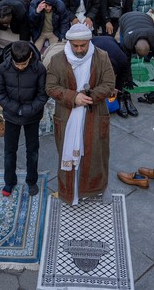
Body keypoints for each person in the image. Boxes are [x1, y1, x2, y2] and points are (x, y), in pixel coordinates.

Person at [45, 24, 115, 205]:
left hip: (95, 114)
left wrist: (88, 97)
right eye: (75, 46)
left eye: (82, 46)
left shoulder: (102, 57)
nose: (79, 49)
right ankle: (69, 192)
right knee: (66, 154)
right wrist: (73, 97)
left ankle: (99, 188)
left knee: (97, 153)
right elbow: (50, 87)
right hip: (67, 116)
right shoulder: (57, 60)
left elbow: (108, 84)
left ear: (89, 41)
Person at [0, 41, 48, 197]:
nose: (20, 67)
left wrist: (29, 110)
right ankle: (9, 181)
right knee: (9, 150)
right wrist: (15, 108)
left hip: (32, 116)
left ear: (30, 56)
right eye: (17, 64)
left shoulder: (39, 69)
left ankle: (32, 181)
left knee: (32, 150)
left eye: (23, 64)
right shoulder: (3, 68)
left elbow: (43, 94)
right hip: (11, 115)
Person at [119, 11, 154, 88]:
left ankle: (146, 59)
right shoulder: (127, 41)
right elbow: (126, 61)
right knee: (122, 52)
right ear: (134, 47)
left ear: (150, 46)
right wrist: (128, 80)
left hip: (146, 18)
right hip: (125, 18)